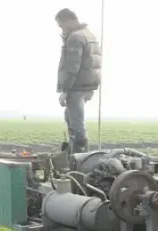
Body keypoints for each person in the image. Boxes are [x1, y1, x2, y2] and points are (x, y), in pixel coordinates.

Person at [55, 8, 102, 155]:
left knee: (76, 124)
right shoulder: (88, 34)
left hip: (76, 86)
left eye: (62, 25)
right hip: (88, 85)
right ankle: (77, 155)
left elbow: (72, 66)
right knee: (72, 118)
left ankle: (80, 157)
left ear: (69, 20)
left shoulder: (75, 37)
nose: (62, 28)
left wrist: (65, 90)